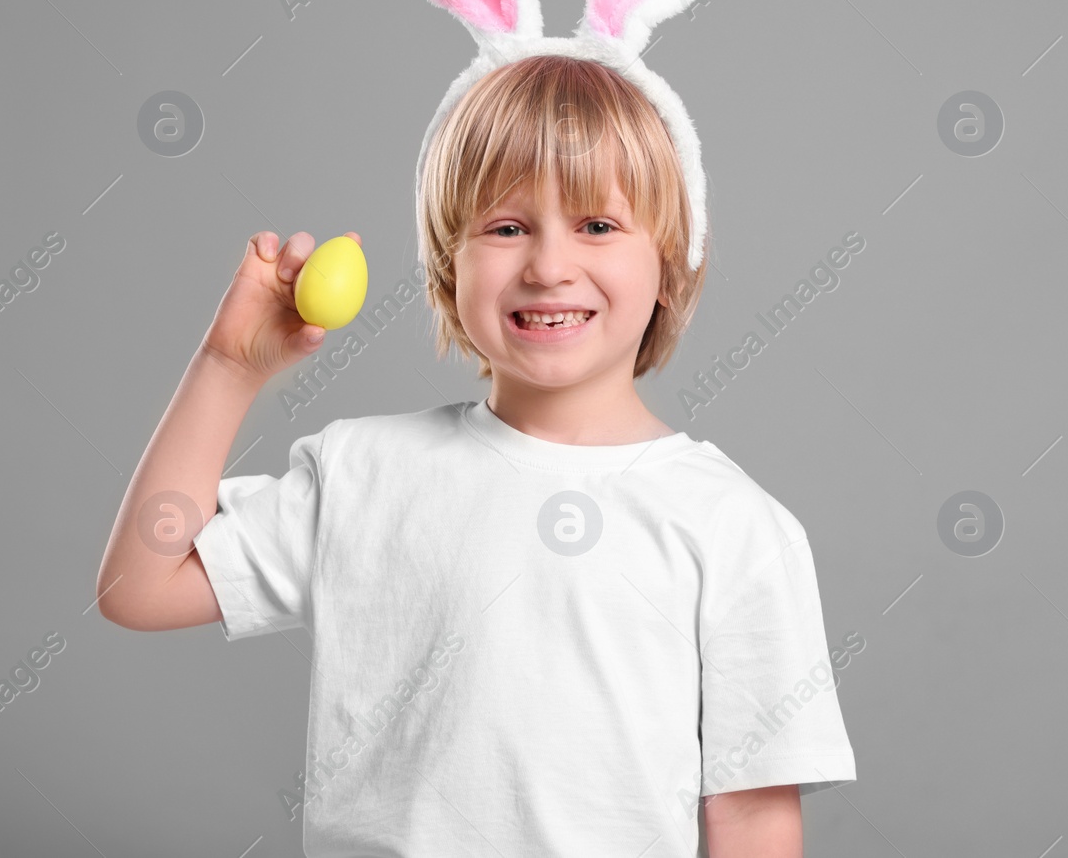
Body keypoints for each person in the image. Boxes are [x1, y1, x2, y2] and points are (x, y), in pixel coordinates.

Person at [94, 52, 857, 855]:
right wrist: (228, 368)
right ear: (445, 266)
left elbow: (751, 816)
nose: (549, 266)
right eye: (506, 226)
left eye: (597, 224)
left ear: (670, 262)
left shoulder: (735, 525)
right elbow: (136, 587)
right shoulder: (364, 471)